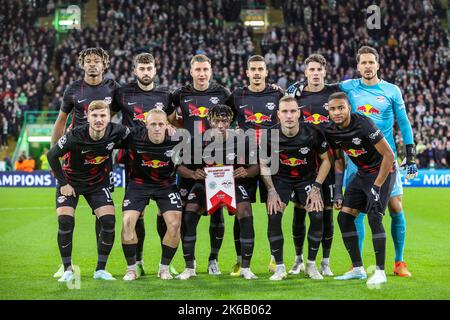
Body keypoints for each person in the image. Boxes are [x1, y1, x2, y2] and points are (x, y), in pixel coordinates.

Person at [339, 46, 417, 277]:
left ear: (378, 64)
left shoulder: (392, 90)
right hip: (356, 159)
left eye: (371, 62)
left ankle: (399, 262)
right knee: (356, 210)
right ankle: (357, 265)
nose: (367, 66)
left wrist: (410, 154)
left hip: (386, 157)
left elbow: (403, 123)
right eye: (363, 62)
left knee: (395, 207)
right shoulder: (348, 87)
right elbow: (323, 90)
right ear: (358, 66)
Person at [50, 47, 120, 278]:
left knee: (105, 218)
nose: (92, 64)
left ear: (104, 64)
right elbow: (61, 121)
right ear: (82, 65)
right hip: (75, 153)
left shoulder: (113, 88)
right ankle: (66, 265)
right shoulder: (73, 90)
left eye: (96, 61)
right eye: (88, 61)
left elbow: (120, 117)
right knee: (66, 218)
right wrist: (57, 151)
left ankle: (101, 267)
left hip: (101, 159)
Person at [47, 100, 130, 282]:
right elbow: (52, 155)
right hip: (71, 182)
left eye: (102, 116)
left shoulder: (117, 131)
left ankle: (100, 270)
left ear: (109, 117)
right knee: (65, 221)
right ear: (87, 117)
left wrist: (168, 129)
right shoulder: (75, 135)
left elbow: (139, 134)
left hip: (97, 183)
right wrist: (63, 183)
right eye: (95, 116)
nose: (99, 120)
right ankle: (68, 269)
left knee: (108, 221)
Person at [112, 52, 177, 277]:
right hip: (134, 159)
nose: (146, 73)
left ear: (155, 70)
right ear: (135, 71)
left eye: (149, 69)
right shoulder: (122, 93)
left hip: (161, 157)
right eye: (142, 69)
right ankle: (137, 261)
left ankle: (165, 263)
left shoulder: (166, 95)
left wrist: (172, 129)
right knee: (135, 216)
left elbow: (173, 120)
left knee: (163, 213)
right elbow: (107, 116)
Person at [176, 104, 260, 280]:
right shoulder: (197, 141)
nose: (220, 125)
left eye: (224, 121)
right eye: (216, 121)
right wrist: (193, 173)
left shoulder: (243, 140)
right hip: (205, 184)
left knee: (245, 211)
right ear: (209, 121)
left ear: (230, 121)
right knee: (189, 214)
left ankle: (245, 267)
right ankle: (189, 267)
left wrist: (246, 171)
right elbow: (180, 166)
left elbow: (257, 165)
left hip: (232, 183)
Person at [324, 92, 395, 286]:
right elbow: (338, 160)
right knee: (344, 218)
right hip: (362, 173)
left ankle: (380, 272)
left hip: (383, 172)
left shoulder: (364, 124)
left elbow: (389, 156)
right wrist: (338, 191)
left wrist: (377, 186)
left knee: (374, 216)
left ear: (349, 108)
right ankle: (357, 269)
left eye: (341, 108)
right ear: (328, 111)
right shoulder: (330, 130)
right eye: (332, 109)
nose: (337, 112)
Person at [260, 95, 331, 281]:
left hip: (307, 180)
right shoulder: (269, 135)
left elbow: (326, 161)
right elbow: (263, 163)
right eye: (285, 111)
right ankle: (280, 268)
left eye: (293, 111)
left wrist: (316, 188)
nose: (289, 115)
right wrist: (271, 191)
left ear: (299, 113)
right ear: (278, 115)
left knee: (317, 214)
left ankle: (311, 265)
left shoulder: (313, 132)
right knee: (274, 214)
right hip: (280, 180)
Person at [172, 54, 231, 275]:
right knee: (189, 213)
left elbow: (231, 118)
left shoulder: (222, 94)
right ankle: (190, 264)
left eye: (205, 69)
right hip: (190, 160)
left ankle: (213, 260)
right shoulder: (180, 94)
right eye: (198, 70)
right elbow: (171, 118)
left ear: (211, 71)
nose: (202, 74)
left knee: (217, 211)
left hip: (217, 161)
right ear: (191, 71)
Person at [227, 55, 284, 276]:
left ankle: (274, 258)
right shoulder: (237, 95)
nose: (257, 72)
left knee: (274, 209)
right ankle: (241, 260)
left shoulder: (277, 94)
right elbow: (221, 119)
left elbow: (290, 113)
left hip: (272, 160)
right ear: (247, 72)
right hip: (245, 160)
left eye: (261, 68)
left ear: (266, 72)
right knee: (241, 211)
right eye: (253, 69)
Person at [285, 53, 341, 276]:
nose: (315, 73)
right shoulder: (297, 96)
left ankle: (325, 262)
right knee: (300, 213)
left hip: (328, 159)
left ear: (325, 72)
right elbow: (284, 112)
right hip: (303, 162)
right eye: (312, 70)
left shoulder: (335, 93)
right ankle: (299, 259)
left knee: (326, 214)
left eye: (319, 69)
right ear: (305, 72)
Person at [119, 109, 182, 281]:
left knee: (175, 224)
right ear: (146, 125)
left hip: (165, 185)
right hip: (139, 184)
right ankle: (131, 269)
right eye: (153, 124)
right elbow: (108, 138)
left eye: (161, 124)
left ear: (166, 125)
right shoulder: (133, 136)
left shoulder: (177, 138)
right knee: (127, 222)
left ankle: (164, 268)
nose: (157, 128)